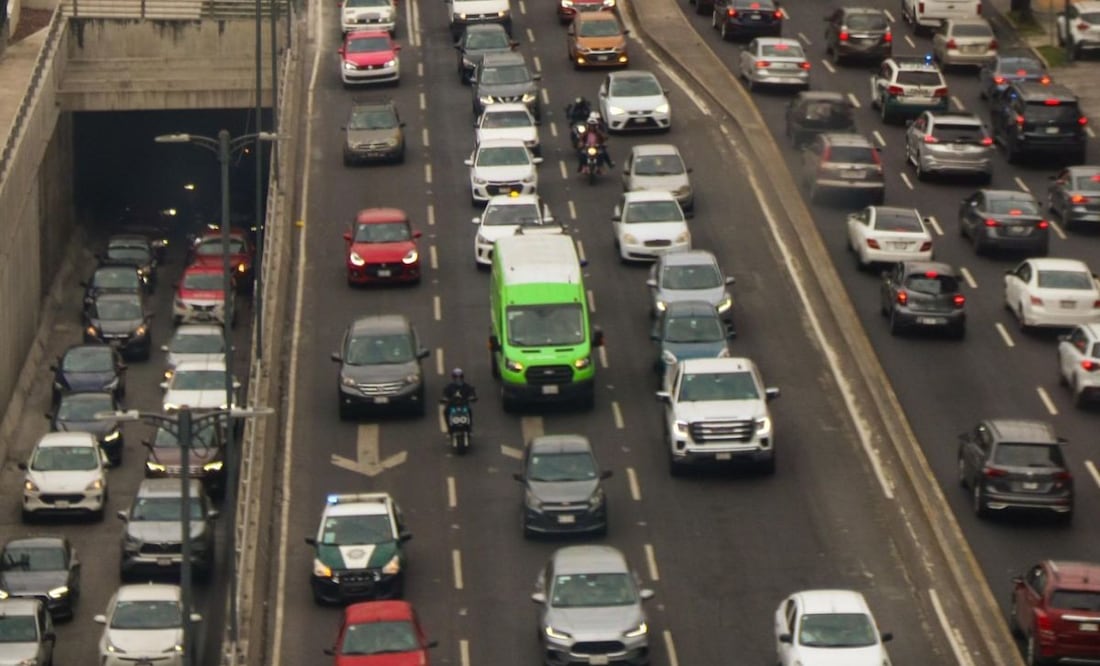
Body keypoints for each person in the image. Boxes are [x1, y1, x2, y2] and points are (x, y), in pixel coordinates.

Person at [441, 368, 477, 433]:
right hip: (452, 405)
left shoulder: (467, 386)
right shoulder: (449, 387)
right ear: (453, 378)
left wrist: (472, 397)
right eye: (456, 377)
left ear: (462, 377)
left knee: (469, 410)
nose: (458, 379)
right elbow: (445, 394)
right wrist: (444, 399)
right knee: (446, 411)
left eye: (460, 377)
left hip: (463, 404)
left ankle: (469, 427)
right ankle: (449, 428)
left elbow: (472, 392)